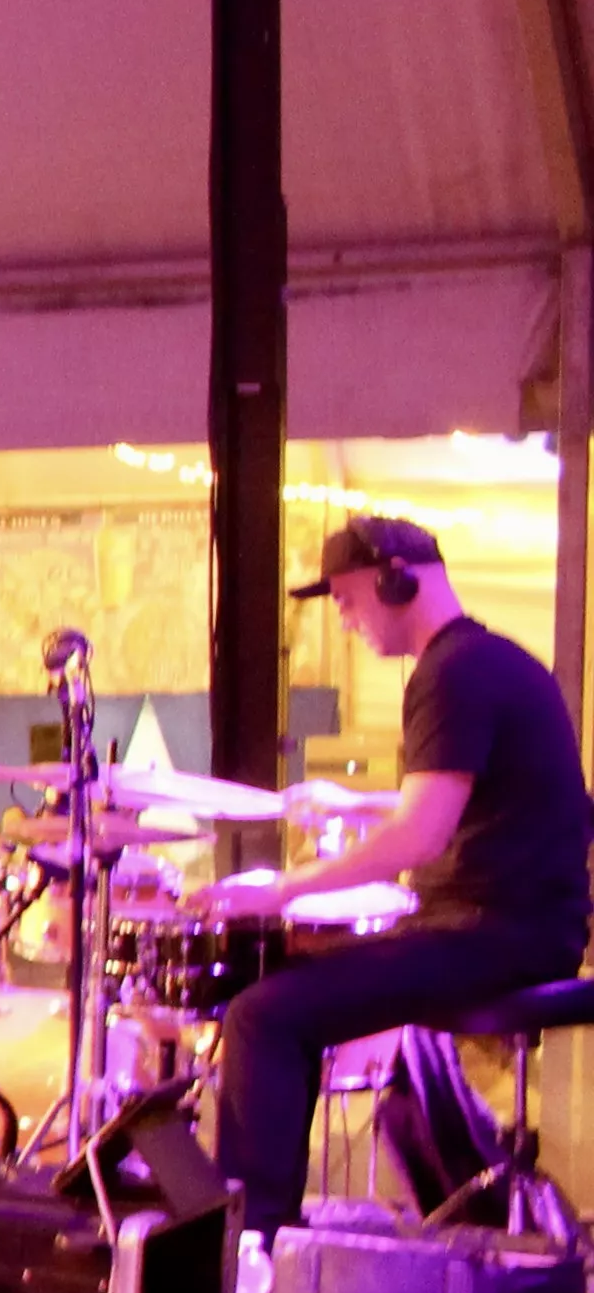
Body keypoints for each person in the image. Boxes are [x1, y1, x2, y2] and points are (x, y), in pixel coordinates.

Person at [205, 517, 591, 1236]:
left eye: (348, 602)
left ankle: (249, 1250)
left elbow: (420, 833)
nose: (347, 621)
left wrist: (282, 886)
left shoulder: (453, 672)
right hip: (507, 923)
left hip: (498, 935)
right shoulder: (485, 659)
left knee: (264, 1015)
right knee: (277, 980)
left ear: (394, 579)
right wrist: (357, 802)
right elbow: (469, 792)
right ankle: (261, 1231)